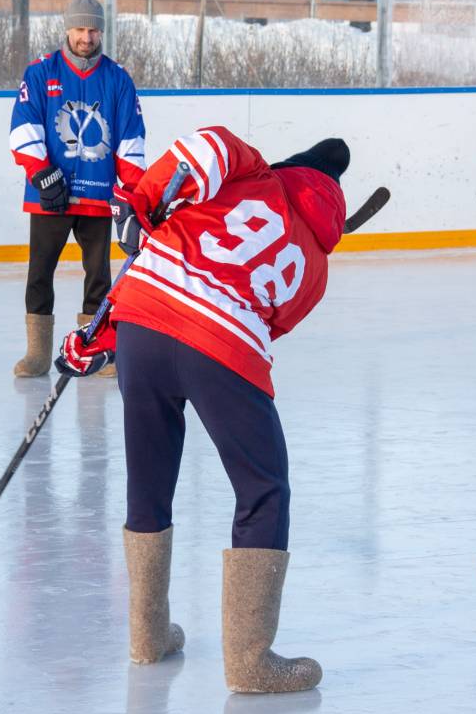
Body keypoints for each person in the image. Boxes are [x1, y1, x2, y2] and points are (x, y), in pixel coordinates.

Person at [58, 126, 350, 692]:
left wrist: (138, 204)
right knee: (264, 488)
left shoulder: (253, 175)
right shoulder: (315, 270)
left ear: (289, 170)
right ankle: (249, 660)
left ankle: (146, 636)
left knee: (150, 477)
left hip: (142, 320)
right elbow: (269, 323)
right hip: (223, 347)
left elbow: (208, 145)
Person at [8, 0, 145, 379]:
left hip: (98, 196)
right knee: (40, 273)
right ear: (68, 29)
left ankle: (97, 348)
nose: (87, 37)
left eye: (94, 29)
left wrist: (135, 194)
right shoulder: (40, 73)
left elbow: (130, 141)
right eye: (81, 29)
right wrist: (40, 173)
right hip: (49, 195)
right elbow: (24, 127)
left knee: (99, 276)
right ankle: (37, 354)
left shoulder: (118, 79)